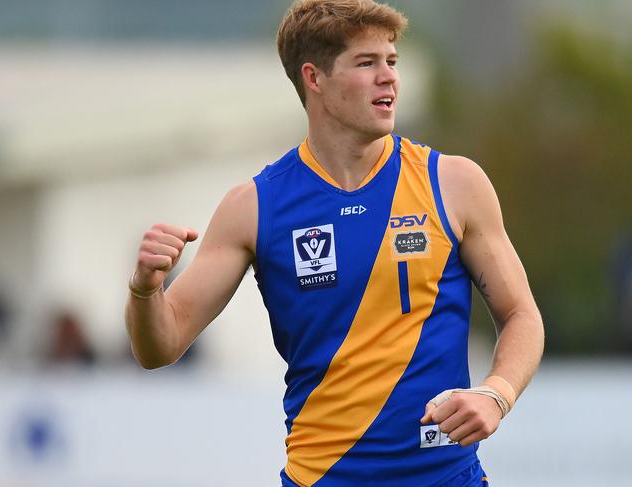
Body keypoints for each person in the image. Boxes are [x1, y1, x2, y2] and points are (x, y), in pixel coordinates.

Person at [125, 0, 545, 485]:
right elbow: (160, 346)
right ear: (314, 78)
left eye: (391, 61)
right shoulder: (255, 206)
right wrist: (143, 290)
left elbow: (522, 315)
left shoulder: (453, 183)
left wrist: (497, 393)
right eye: (366, 63)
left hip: (447, 478)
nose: (388, 77)